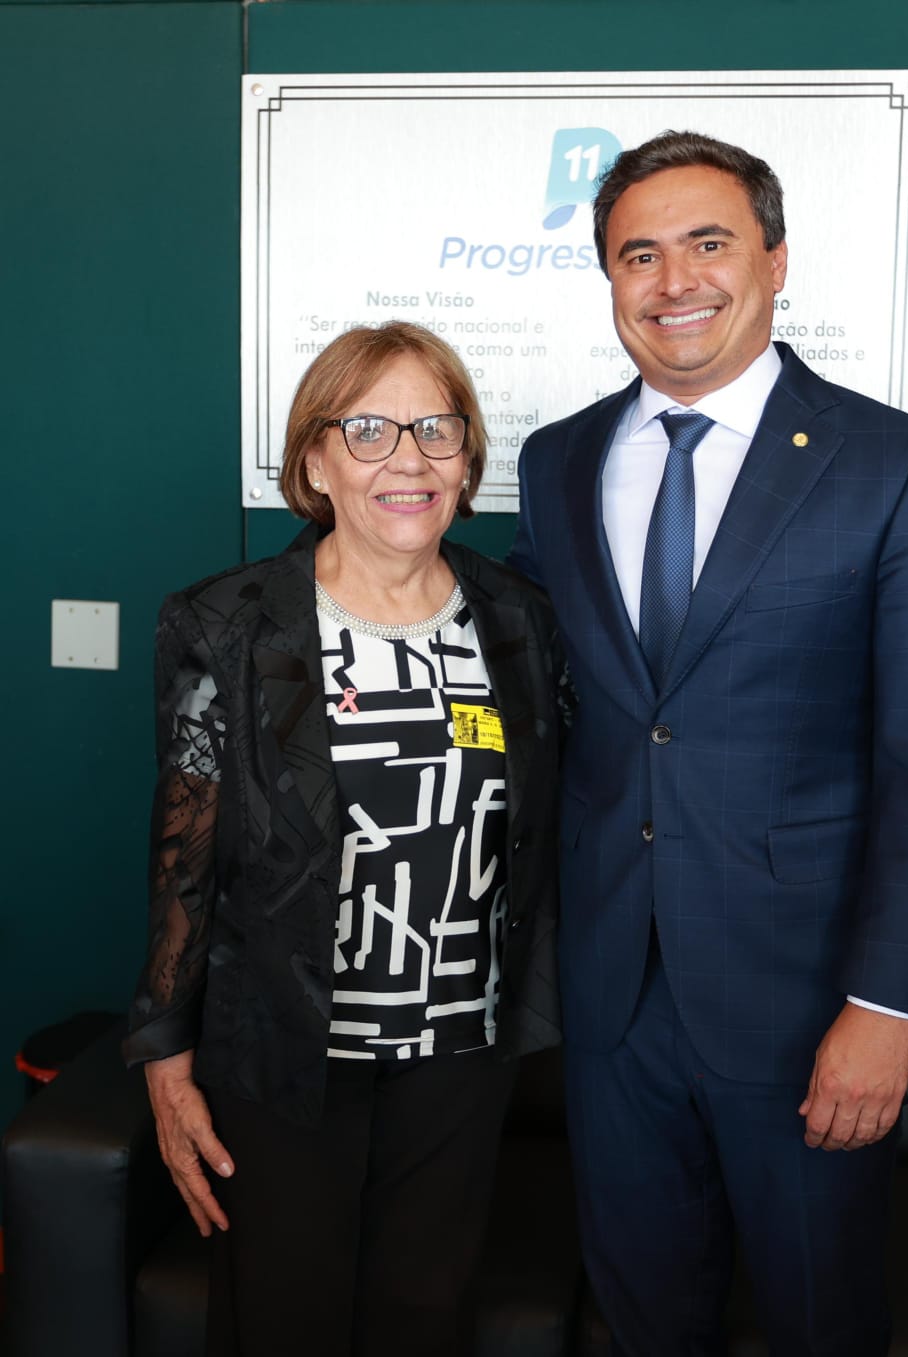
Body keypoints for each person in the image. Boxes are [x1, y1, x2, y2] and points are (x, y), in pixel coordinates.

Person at [509, 130, 908, 1355]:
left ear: (775, 261)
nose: (674, 280)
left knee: (818, 1319)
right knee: (643, 1317)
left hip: (807, 1005)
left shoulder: (896, 465)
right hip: (612, 998)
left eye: (709, 243)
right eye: (639, 254)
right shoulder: (557, 461)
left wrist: (887, 1005)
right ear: (608, 278)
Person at [125, 322, 567, 1357]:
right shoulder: (227, 623)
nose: (408, 459)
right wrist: (165, 1056)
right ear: (316, 463)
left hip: (462, 1055)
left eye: (435, 429)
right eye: (368, 430)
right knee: (285, 1321)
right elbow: (183, 855)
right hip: (283, 1053)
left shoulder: (519, 619)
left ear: (467, 458)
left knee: (425, 1322)